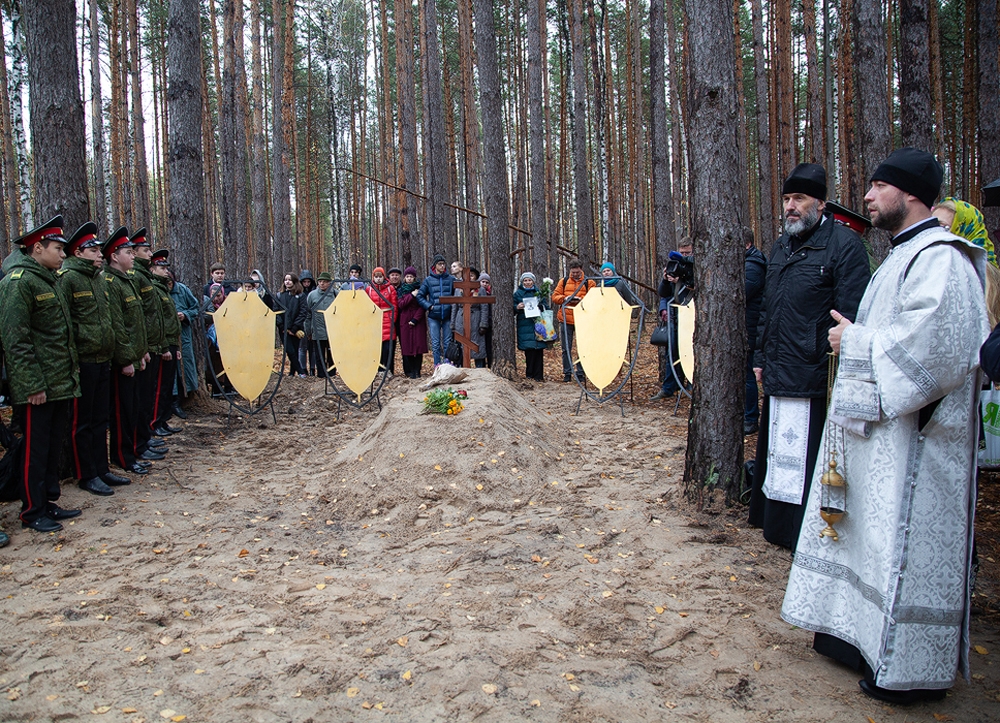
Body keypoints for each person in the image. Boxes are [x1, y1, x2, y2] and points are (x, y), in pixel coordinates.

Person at [781, 147, 989, 704]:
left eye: (877, 187)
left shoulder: (942, 258)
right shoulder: (901, 255)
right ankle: (854, 639)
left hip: (918, 444)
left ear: (910, 193)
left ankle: (907, 671)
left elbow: (936, 356)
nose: (867, 197)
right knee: (866, 537)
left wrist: (857, 341)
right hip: (881, 436)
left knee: (899, 546)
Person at [748, 163, 871, 551]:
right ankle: (776, 526)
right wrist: (760, 354)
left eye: (798, 199)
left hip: (818, 372)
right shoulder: (781, 247)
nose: (790, 207)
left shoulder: (844, 245)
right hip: (780, 368)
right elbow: (769, 307)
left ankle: (805, 531)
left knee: (809, 457)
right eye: (786, 199)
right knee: (778, 450)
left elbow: (851, 312)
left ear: (820, 202)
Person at [0, 216, 82, 533]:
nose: (64, 255)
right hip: (38, 386)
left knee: (49, 447)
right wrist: (32, 384)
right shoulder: (18, 283)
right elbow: (15, 340)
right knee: (35, 450)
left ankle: (48, 500)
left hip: (58, 382)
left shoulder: (48, 280)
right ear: (38, 248)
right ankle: (31, 510)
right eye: (58, 249)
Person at [59, 222, 122, 496]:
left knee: (99, 419)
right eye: (93, 250)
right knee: (82, 422)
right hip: (83, 360)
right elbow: (67, 324)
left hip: (102, 357)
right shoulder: (68, 278)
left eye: (99, 249)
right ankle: (86, 474)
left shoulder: (97, 279)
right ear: (78, 252)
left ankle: (101, 468)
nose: (99, 254)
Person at [104, 227, 150, 476]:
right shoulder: (111, 282)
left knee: (132, 408)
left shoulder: (126, 280)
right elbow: (118, 325)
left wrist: (141, 351)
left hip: (135, 355)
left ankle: (132, 451)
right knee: (122, 412)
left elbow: (136, 323)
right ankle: (123, 457)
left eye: (134, 252)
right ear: (114, 255)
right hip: (123, 360)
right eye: (128, 252)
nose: (132, 256)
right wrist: (125, 358)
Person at [129, 228, 173, 462]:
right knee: (143, 399)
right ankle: (144, 437)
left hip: (155, 346)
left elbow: (157, 318)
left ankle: (147, 435)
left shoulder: (147, 280)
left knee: (151, 395)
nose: (165, 270)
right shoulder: (136, 279)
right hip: (146, 349)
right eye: (145, 250)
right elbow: (139, 319)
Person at [651, 239, 694, 400]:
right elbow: (664, 292)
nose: (684, 256)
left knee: (690, 352)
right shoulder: (674, 266)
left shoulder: (696, 268)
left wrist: (681, 281)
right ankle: (669, 387)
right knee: (672, 353)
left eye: (687, 253)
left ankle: (691, 384)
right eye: (681, 253)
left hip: (691, 316)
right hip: (675, 316)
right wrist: (665, 279)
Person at [149, 250, 183, 436]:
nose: (166, 271)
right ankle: (155, 423)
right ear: (152, 269)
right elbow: (157, 321)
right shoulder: (154, 288)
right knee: (159, 388)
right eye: (162, 267)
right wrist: (164, 346)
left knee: (166, 387)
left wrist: (174, 346)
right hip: (162, 345)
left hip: (170, 343)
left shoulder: (163, 288)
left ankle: (162, 421)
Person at [551, 259, 596, 382]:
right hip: (566, 318)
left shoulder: (589, 283)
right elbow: (555, 297)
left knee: (583, 347)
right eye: (573, 272)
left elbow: (594, 298)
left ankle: (581, 373)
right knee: (566, 347)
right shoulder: (564, 281)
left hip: (583, 318)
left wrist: (580, 300)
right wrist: (565, 298)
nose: (575, 274)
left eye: (577, 272)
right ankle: (567, 373)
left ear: (581, 269)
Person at [743, 228, 766, 434]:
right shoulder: (748, 263)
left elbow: (741, 293)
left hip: (751, 327)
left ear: (747, 245)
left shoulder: (753, 266)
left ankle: (750, 418)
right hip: (747, 327)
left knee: (749, 374)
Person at [167, 269, 199, 415]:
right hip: (166, 337)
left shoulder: (182, 290)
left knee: (185, 367)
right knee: (170, 371)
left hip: (183, 335)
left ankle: (182, 399)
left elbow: (195, 308)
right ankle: (171, 402)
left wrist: (185, 315)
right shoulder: (159, 291)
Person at [932, 197, 996, 265]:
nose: (933, 232)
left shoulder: (980, 271)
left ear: (966, 231)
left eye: (943, 227)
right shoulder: (928, 259)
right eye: (931, 226)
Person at [417, 254, 455, 366]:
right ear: (435, 266)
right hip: (434, 316)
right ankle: (437, 365)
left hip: (448, 315)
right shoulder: (428, 280)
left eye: (443, 264)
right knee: (435, 343)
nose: (442, 266)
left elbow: (457, 294)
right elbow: (420, 296)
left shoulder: (451, 279)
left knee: (448, 341)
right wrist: (429, 306)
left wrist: (452, 307)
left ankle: (447, 364)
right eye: (440, 264)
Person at [451, 268, 491, 369]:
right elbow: (454, 306)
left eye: (472, 275)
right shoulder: (458, 289)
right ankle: (462, 370)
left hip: (475, 321)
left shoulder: (481, 290)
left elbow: (484, 307)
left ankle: (480, 371)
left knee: (478, 348)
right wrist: (452, 323)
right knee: (461, 348)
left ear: (476, 277)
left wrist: (483, 324)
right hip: (461, 321)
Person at [514, 271, 548, 382]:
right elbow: (512, 308)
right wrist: (517, 307)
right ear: (522, 282)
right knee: (529, 351)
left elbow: (546, 306)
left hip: (538, 324)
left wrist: (540, 307)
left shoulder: (539, 293)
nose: (527, 282)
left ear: (533, 281)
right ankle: (529, 375)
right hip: (525, 325)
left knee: (539, 350)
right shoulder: (518, 294)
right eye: (525, 280)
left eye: (529, 280)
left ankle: (539, 376)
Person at [397, 266, 428, 378]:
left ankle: (417, 370)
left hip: (418, 320)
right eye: (407, 276)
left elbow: (422, 305)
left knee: (418, 346)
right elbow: (400, 304)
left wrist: (416, 318)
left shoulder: (420, 289)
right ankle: (411, 372)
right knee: (407, 346)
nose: (409, 279)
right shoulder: (401, 290)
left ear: (414, 278)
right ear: (404, 278)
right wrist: (411, 295)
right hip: (404, 319)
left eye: (411, 277)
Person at [305, 272, 338, 377]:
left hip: (333, 332)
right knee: (319, 356)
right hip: (317, 331)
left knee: (332, 356)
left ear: (329, 283)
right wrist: (308, 331)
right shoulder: (312, 295)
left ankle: (332, 375)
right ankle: (321, 376)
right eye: (320, 281)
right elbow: (308, 314)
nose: (322, 284)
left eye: (324, 282)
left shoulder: (336, 294)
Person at [366, 267, 398, 372]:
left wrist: (393, 319)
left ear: (384, 277)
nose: (378, 279)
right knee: (376, 349)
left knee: (388, 349)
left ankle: (389, 371)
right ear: (373, 277)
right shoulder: (369, 289)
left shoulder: (390, 289)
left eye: (380, 277)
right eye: (376, 277)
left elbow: (394, 306)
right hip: (374, 322)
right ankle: (377, 371)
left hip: (388, 321)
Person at [276, 272, 308, 377]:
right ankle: (301, 371)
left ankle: (292, 373)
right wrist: (282, 326)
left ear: (294, 282)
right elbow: (276, 312)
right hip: (283, 329)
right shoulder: (279, 295)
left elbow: (303, 312)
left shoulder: (301, 296)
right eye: (286, 280)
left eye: (289, 280)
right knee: (290, 351)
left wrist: (294, 328)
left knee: (294, 350)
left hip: (296, 329)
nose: (287, 282)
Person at [387, 267, 403, 373]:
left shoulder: (404, 287)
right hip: (389, 320)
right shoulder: (386, 288)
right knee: (389, 346)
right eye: (392, 275)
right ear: (389, 277)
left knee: (404, 345)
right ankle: (389, 370)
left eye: (396, 275)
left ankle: (408, 370)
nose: (394, 277)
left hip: (402, 320)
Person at [479, 272, 494, 368]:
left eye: (486, 282)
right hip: (479, 323)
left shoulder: (491, 294)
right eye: (482, 281)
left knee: (489, 346)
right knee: (481, 345)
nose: (484, 284)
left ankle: (491, 365)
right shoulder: (476, 293)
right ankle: (482, 366)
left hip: (490, 323)